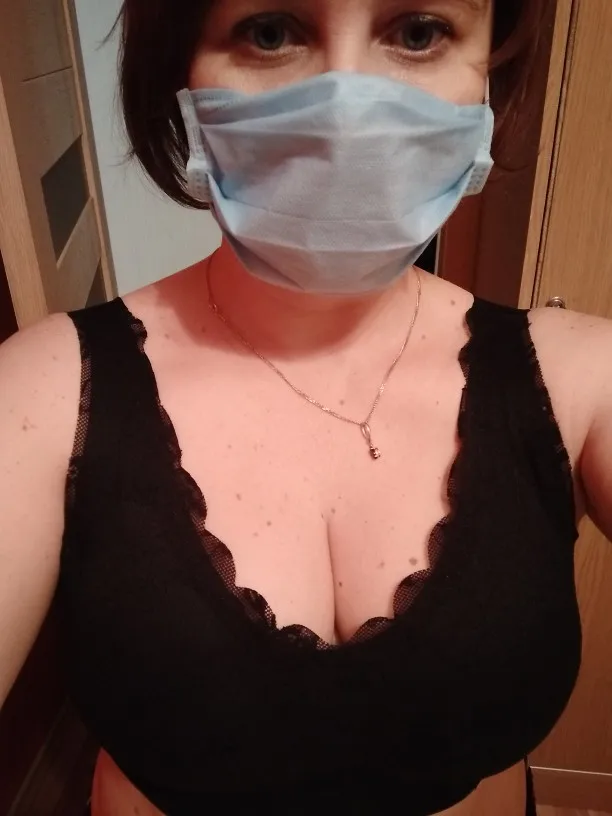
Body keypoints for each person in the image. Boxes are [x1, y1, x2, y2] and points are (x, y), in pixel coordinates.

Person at [1, 0, 611, 813]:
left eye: (419, 32)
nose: (345, 108)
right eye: (271, 32)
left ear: (489, 72)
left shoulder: (581, 376)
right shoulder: (41, 391)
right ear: (180, 73)